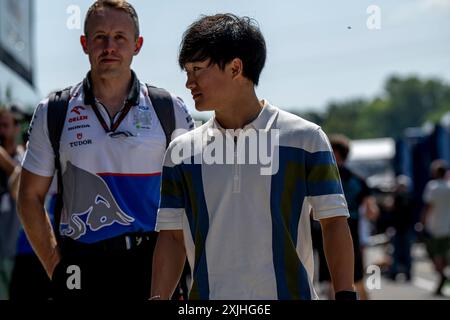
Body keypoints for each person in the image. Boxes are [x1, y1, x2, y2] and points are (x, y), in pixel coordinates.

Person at [150, 14, 356, 300]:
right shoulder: (181, 151)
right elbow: (171, 237)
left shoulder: (305, 139)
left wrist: (346, 295)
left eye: (197, 69)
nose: (189, 82)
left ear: (236, 68)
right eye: (186, 71)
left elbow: (334, 222)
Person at [17, 0, 193, 299]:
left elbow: (193, 198)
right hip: (81, 264)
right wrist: (57, 267)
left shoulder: (169, 108)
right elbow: (29, 197)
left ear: (137, 45)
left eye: (120, 38)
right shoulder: (54, 109)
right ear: (85, 44)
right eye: (100, 37)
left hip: (152, 261)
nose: (109, 46)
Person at [327, 134, 379, 300]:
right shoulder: (359, 180)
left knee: (332, 279)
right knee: (356, 278)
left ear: (334, 153)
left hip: (328, 229)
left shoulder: (323, 178)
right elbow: (372, 212)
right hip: (352, 231)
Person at [0, 108, 24, 300]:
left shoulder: (24, 158)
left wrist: (4, 161)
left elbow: (19, 189)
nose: (1, 131)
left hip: (15, 249)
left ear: (17, 129)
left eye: (5, 125)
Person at [422, 159, 450, 296]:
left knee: (434, 255)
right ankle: (442, 278)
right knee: (444, 256)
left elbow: (428, 207)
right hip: (448, 227)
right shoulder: (449, 186)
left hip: (435, 228)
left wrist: (422, 222)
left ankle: (442, 276)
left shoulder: (432, 187)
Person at [388, 175, 415, 281]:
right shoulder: (410, 197)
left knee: (397, 251)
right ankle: (407, 273)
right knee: (406, 252)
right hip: (406, 228)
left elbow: (389, 207)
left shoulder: (397, 198)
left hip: (399, 228)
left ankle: (394, 273)